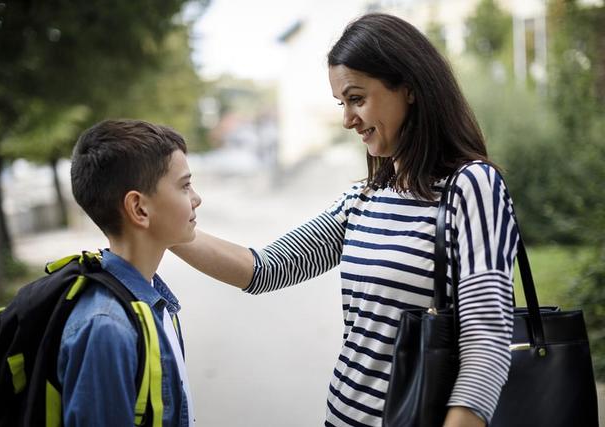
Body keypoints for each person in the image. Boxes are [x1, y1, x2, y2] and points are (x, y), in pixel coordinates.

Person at [172, 13, 518, 427]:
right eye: (342, 103)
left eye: (357, 99)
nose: (347, 119)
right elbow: (264, 268)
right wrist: (165, 230)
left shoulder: (472, 186)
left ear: (408, 88)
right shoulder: (364, 198)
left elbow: (488, 341)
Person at [63, 119, 201, 426]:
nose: (196, 199)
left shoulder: (155, 302)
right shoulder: (107, 329)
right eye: (185, 185)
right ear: (139, 209)